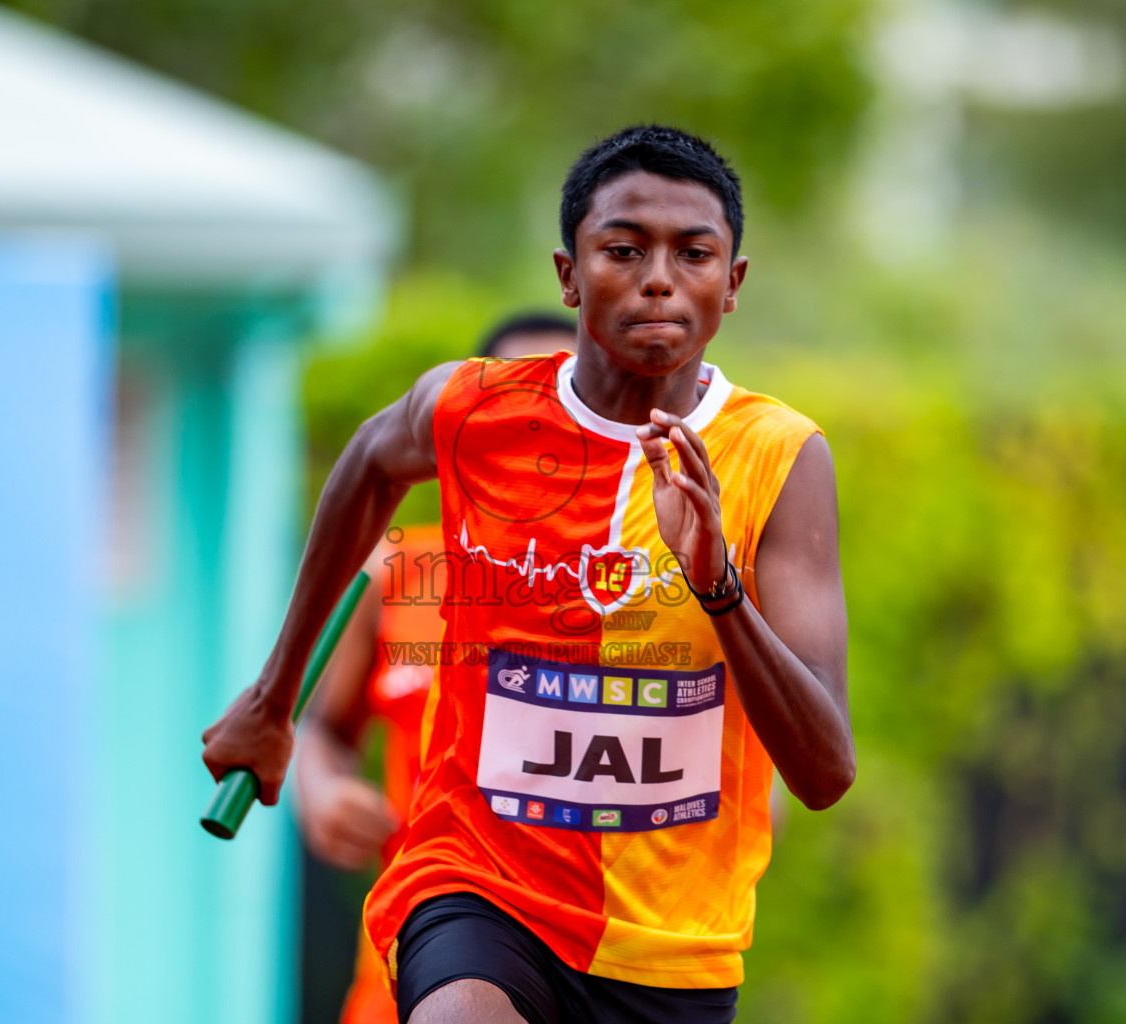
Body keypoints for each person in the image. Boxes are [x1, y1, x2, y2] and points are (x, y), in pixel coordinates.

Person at [202, 124, 855, 1024]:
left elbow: (824, 773)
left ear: (731, 284)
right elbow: (367, 464)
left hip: (667, 948)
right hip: (477, 885)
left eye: (693, 253)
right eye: (623, 250)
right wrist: (276, 706)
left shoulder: (776, 456)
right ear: (568, 273)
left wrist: (718, 590)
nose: (659, 277)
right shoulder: (470, 418)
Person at [293, 313, 578, 1024]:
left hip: (599, 972)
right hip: (410, 977)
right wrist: (324, 794)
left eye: (573, 404)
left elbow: (754, 792)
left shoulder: (650, 597)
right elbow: (323, 733)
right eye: (516, 406)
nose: (544, 431)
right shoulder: (397, 576)